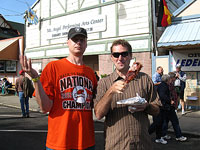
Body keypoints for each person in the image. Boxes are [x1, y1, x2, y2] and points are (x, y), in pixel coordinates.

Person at [20, 27, 97, 150]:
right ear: (68, 42)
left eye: (82, 39)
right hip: (59, 142)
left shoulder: (91, 74)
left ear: (86, 43)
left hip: (86, 142)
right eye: (74, 39)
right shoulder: (53, 67)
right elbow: (45, 108)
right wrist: (35, 79)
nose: (78, 42)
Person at [94, 39, 161, 150]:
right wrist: (110, 92)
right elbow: (98, 114)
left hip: (142, 144)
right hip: (116, 145)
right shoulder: (104, 83)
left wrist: (146, 106)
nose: (120, 58)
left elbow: (157, 110)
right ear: (112, 57)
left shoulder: (145, 79)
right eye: (116, 55)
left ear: (130, 56)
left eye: (124, 54)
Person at [157, 74, 187, 142]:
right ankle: (178, 135)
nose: (172, 80)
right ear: (168, 79)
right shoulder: (165, 86)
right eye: (172, 78)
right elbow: (163, 95)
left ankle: (163, 134)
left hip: (166, 106)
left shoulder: (164, 85)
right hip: (168, 106)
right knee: (175, 121)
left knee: (165, 121)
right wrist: (170, 101)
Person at [148, 66, 166, 144]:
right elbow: (154, 84)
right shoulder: (155, 76)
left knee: (160, 121)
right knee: (157, 121)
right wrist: (160, 83)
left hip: (158, 100)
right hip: (156, 99)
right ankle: (148, 133)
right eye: (161, 70)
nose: (162, 71)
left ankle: (159, 136)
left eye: (162, 70)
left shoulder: (161, 75)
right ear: (157, 70)